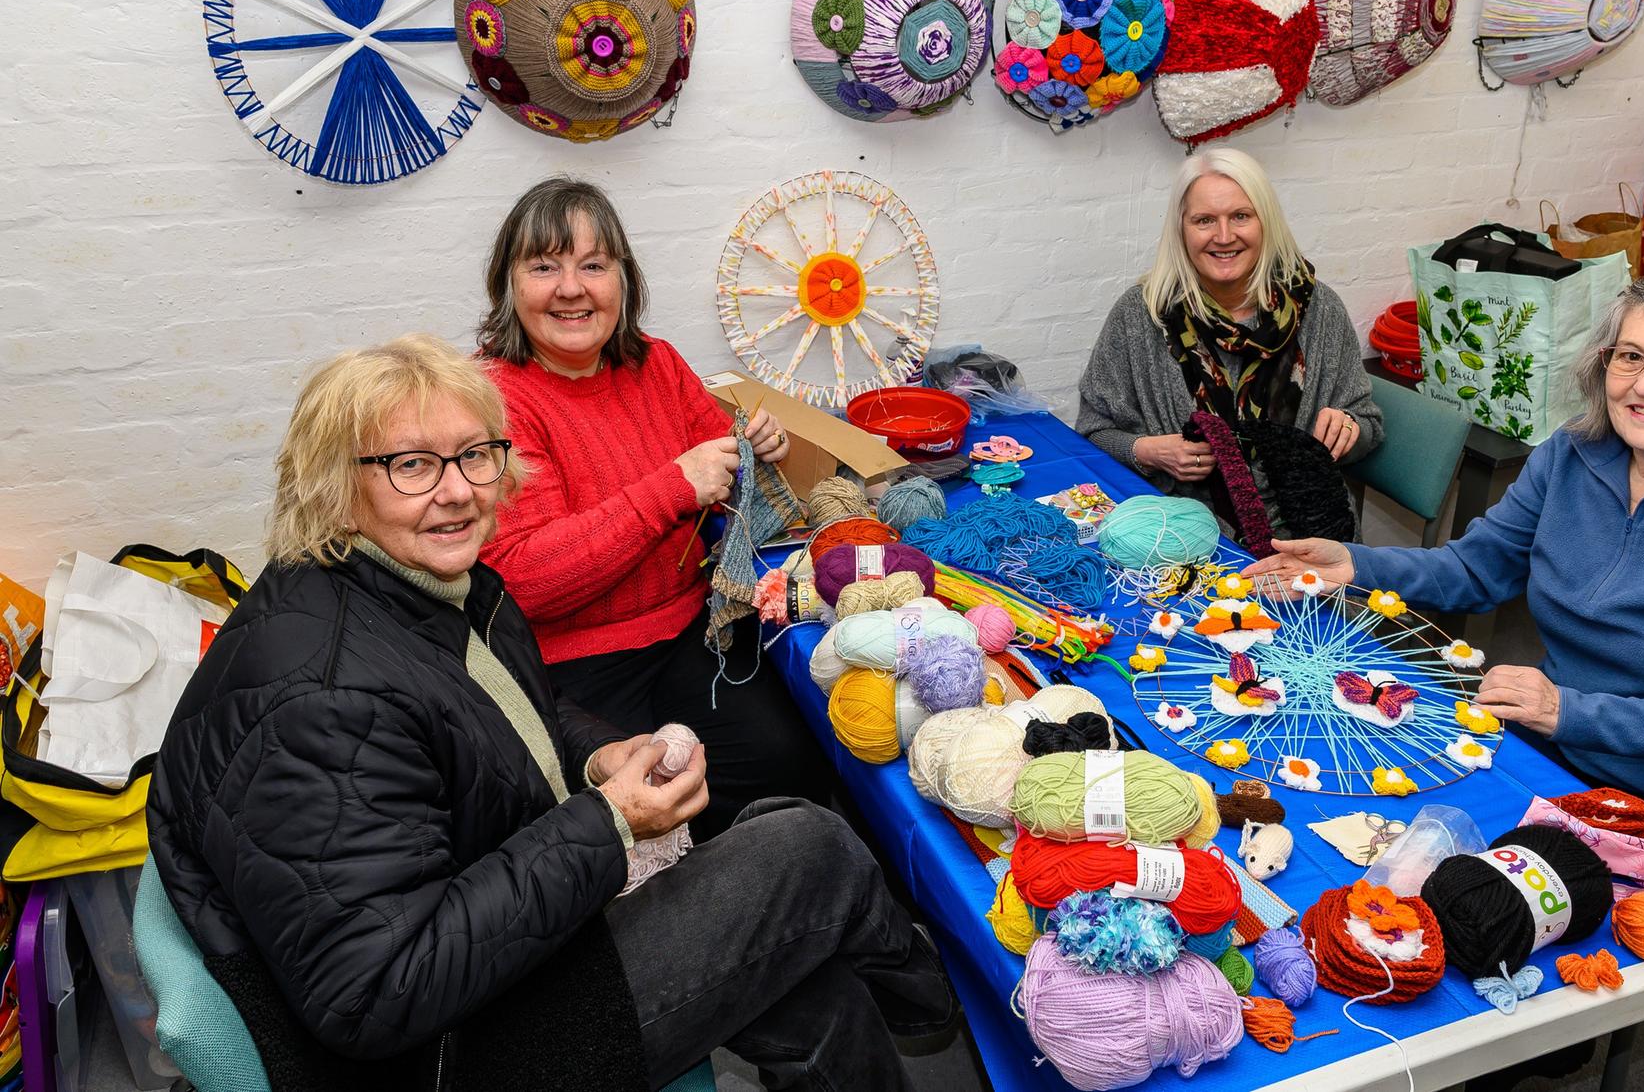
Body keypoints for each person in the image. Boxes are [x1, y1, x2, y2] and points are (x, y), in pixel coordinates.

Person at [147, 335, 954, 1092]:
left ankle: (901, 993)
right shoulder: (322, 701)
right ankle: (937, 1000)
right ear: (331, 484)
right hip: (448, 1052)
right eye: (411, 465)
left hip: (481, 953)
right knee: (806, 845)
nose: (459, 490)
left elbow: (503, 710)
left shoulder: (422, 585)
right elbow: (376, 996)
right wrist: (603, 824)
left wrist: (597, 757)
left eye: (474, 456)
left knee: (800, 963)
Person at [1246, 267, 1644, 891]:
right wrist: (1356, 564)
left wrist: (1565, 710)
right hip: (1573, 747)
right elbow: (1477, 567)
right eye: (1631, 357)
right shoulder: (1575, 453)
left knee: (1463, 898)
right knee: (1363, 820)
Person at [478, 178, 829, 835]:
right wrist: (674, 484)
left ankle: (779, 884)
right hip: (575, 670)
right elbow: (525, 580)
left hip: (689, 631)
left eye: (593, 265)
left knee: (791, 760)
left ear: (623, 280)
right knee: (650, 808)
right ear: (508, 283)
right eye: (544, 266)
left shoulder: (656, 364)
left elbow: (717, 473)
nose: (571, 288)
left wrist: (757, 450)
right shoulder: (493, 400)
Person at [1075, 147, 1381, 541]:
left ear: (1265, 221)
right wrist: (1149, 452)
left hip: (1309, 542)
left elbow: (1368, 424)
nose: (1224, 236)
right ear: (1181, 229)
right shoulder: (1142, 315)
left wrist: (1349, 427)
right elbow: (1092, 431)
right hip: (1183, 538)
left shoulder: (1319, 309)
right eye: (1204, 220)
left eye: (1240, 216)